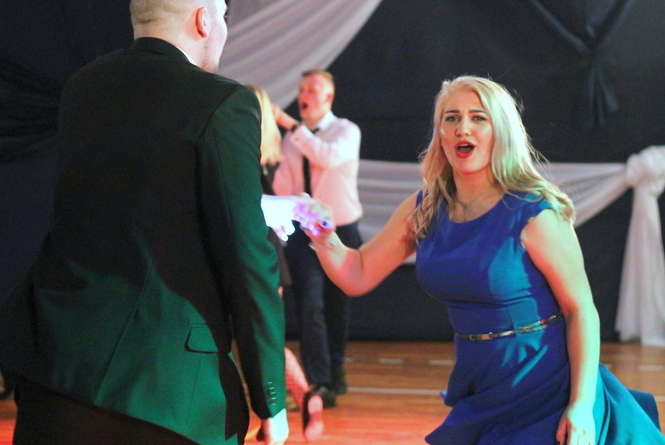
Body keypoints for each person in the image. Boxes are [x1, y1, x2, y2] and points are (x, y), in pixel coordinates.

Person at [298, 76, 665, 444]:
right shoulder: (424, 209)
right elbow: (357, 273)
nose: (463, 128)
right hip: (481, 379)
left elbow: (580, 309)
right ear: (440, 134)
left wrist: (581, 405)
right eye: (452, 118)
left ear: (500, 131)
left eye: (478, 117)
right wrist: (322, 233)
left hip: (546, 381)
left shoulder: (534, 212)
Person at [0, 1, 289, 444]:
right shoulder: (223, 102)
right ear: (203, 20)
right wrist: (271, 398)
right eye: (223, 16)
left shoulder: (83, 88)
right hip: (167, 392)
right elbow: (247, 257)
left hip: (55, 371)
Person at [272, 70, 363, 408]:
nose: (304, 95)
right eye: (301, 90)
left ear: (329, 97)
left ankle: (335, 372)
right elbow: (284, 187)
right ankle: (319, 382)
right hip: (304, 232)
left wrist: (292, 127)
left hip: (341, 229)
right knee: (309, 306)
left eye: (312, 89)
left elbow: (326, 157)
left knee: (338, 307)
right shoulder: (291, 140)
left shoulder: (346, 131)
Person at [249, 85, 324, 442]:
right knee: (265, 338)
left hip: (256, 255)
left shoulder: (241, 156)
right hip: (269, 254)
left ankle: (276, 416)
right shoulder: (268, 154)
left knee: (260, 339)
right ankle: (301, 398)